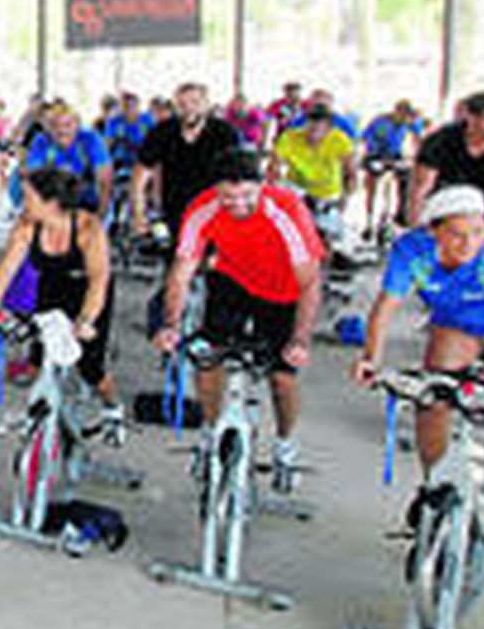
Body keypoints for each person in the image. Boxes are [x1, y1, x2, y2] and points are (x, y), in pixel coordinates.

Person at [350, 185, 484, 520]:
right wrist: (370, 358)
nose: (469, 244)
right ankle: (435, 486)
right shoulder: (412, 251)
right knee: (433, 396)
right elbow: (385, 306)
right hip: (458, 323)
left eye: (477, 232)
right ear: (433, 231)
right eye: (457, 235)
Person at [153, 150, 324, 493]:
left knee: (282, 376)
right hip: (233, 282)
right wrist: (170, 324)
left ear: (262, 187)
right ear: (215, 190)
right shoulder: (202, 209)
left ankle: (285, 446)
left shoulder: (286, 210)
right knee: (207, 355)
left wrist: (301, 340)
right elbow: (181, 273)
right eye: (228, 197)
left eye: (247, 195)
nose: (237, 204)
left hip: (284, 291)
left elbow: (310, 283)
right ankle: (210, 432)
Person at [0, 169, 124, 437]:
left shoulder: (87, 228)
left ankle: (112, 408)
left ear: (51, 203)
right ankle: (38, 406)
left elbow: (98, 280)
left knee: (91, 367)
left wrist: (86, 321)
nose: (24, 204)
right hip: (52, 287)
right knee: (38, 353)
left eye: (29, 198)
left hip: (87, 292)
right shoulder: (26, 224)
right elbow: (7, 267)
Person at [132, 81, 242, 243]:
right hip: (175, 211)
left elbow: (240, 175)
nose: (188, 108)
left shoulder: (225, 133)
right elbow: (140, 175)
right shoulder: (162, 132)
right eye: (182, 104)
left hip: (216, 210)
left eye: (195, 102)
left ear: (206, 105)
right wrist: (139, 213)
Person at [408, 90, 484, 235]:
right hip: (451, 214)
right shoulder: (440, 141)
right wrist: (416, 231)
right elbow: (420, 190)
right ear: (471, 118)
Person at [270, 101, 357, 246]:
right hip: (297, 192)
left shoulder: (340, 139)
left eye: (320, 123)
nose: (314, 127)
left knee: (328, 238)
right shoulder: (290, 137)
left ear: (329, 127)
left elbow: (351, 173)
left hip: (327, 194)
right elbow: (273, 167)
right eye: (311, 122)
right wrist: (276, 181)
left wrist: (344, 199)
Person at [23, 102, 113, 215]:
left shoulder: (91, 139)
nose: (61, 130)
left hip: (87, 194)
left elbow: (104, 177)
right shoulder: (42, 141)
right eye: (55, 126)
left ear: (77, 124)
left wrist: (101, 211)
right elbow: (33, 175)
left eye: (67, 125)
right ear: (48, 127)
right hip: (54, 197)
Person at [358, 99, 423, 241]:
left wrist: (416, 154)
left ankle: (397, 216)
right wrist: (377, 156)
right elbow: (368, 140)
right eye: (403, 115)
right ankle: (369, 219)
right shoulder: (381, 122)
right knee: (373, 184)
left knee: (405, 180)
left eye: (408, 116)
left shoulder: (409, 123)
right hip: (377, 154)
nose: (405, 119)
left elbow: (418, 139)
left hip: (395, 155)